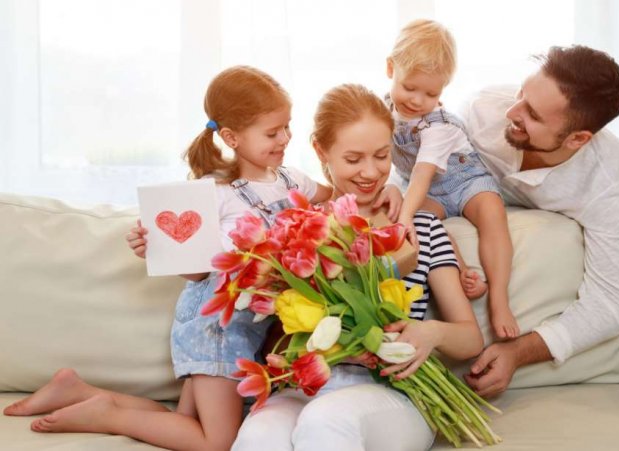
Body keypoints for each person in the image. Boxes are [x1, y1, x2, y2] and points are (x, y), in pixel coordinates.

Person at [3, 66, 401, 450]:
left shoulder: (290, 179)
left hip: (250, 326)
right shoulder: (215, 192)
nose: (284, 138)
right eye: (272, 132)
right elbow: (197, 274)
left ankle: (77, 391)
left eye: (286, 127)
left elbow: (341, 200)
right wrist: (154, 246)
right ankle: (107, 415)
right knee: (217, 441)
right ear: (231, 137)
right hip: (216, 326)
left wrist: (393, 190)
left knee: (187, 421)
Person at [231, 84, 484, 451]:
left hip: (394, 391)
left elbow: (470, 339)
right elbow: (274, 339)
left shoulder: (420, 228)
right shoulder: (297, 230)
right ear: (321, 151)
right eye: (353, 159)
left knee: (327, 419)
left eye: (382, 156)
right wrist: (326, 345)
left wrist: (430, 333)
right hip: (310, 384)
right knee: (261, 432)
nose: (370, 172)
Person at [461, 45, 619, 398]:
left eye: (532, 114)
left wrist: (518, 352)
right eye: (521, 94)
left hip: (605, 234)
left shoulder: (610, 181)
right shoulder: (482, 113)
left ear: (577, 139)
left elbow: (609, 305)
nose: (512, 112)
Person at [385, 19, 518, 339]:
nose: (417, 100)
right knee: (422, 224)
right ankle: (463, 272)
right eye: (409, 87)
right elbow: (381, 156)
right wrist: (396, 195)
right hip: (430, 191)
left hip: (465, 180)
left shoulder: (439, 125)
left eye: (431, 93)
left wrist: (404, 215)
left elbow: (421, 173)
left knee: (492, 213)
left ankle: (499, 299)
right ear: (390, 69)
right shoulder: (381, 112)